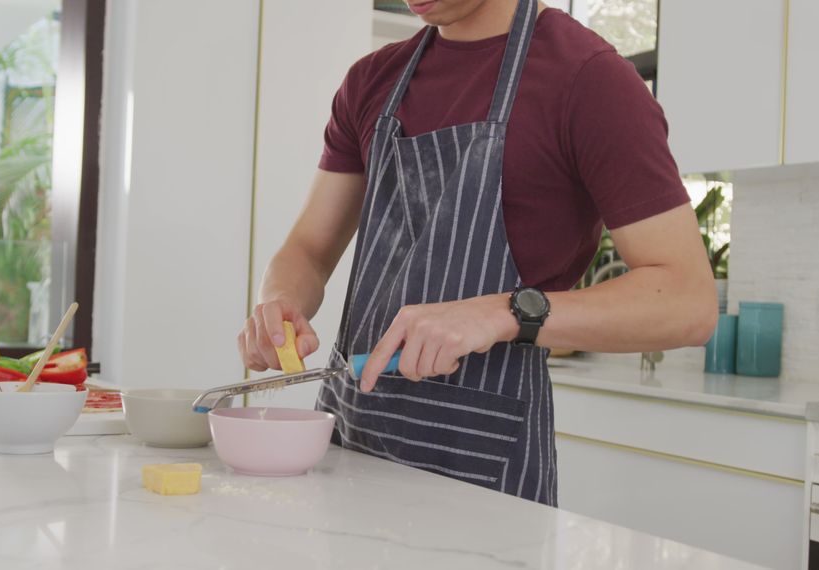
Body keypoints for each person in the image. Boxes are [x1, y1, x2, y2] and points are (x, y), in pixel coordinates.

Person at [237, 0, 716, 506]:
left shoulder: (590, 79)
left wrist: (502, 312)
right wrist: (280, 300)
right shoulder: (371, 82)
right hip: (354, 438)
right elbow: (309, 248)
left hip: (482, 459)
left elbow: (688, 303)